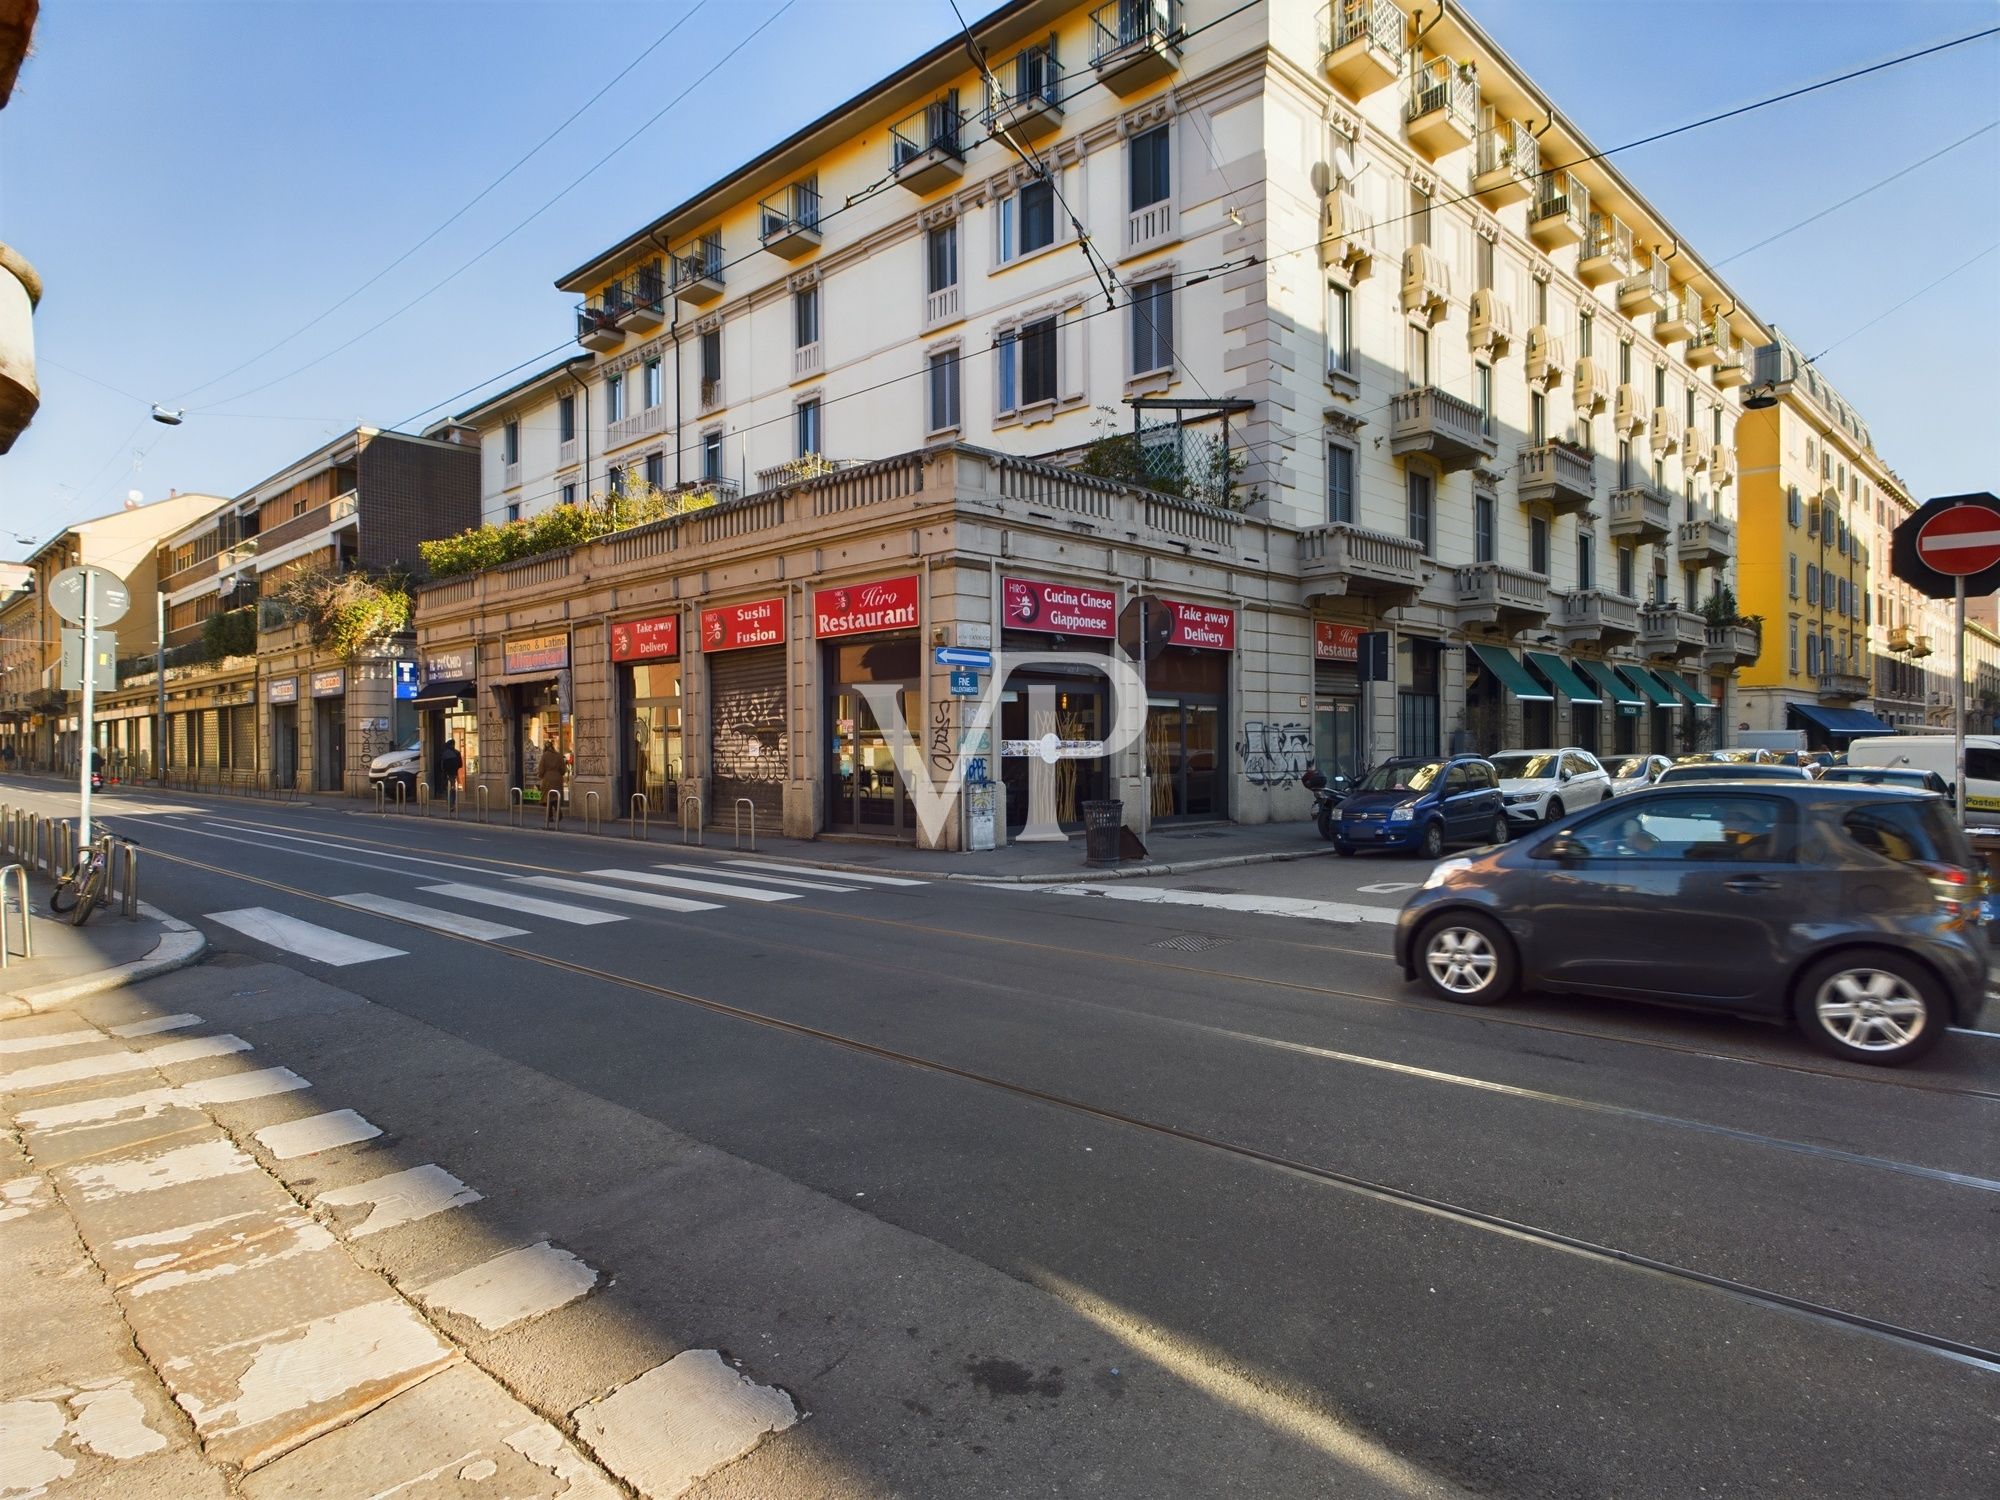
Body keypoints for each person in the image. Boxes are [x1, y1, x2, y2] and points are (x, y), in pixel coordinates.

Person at [536, 737, 567, 826]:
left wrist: (540, 776)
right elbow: (563, 769)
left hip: (548, 779)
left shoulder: (545, 755)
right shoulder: (558, 755)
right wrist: (559, 774)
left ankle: (550, 816)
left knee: (548, 798)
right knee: (555, 796)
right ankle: (558, 811)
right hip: (557, 778)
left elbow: (541, 769)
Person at [437, 733, 463, 812]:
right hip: (453, 774)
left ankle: (449, 804)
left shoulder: (444, 753)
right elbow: (460, 764)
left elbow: (441, 765)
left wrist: (444, 772)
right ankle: (453, 804)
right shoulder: (457, 753)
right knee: (453, 789)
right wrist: (455, 769)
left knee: (446, 789)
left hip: (445, 774)